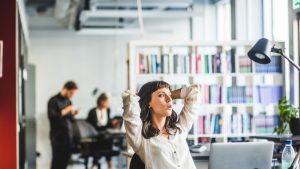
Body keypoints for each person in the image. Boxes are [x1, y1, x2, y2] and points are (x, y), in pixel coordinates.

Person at [122, 80, 200, 169]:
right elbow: (130, 103)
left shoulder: (179, 129)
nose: (169, 99)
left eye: (169, 95)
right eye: (161, 95)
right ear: (148, 102)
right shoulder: (141, 139)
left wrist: (171, 95)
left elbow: (194, 92)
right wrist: (139, 98)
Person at [48, 81, 80, 169]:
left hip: (68, 136)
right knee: (57, 161)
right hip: (57, 136)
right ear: (65, 89)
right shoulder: (53, 101)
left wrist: (73, 114)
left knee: (65, 162)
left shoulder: (69, 101)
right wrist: (66, 110)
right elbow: (52, 117)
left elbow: (70, 119)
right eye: (71, 93)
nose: (72, 95)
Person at [87, 93, 116, 169]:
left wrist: (113, 123)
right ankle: (109, 163)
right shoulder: (92, 112)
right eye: (107, 102)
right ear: (102, 101)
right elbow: (91, 126)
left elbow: (107, 124)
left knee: (107, 138)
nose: (109, 104)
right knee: (105, 140)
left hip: (104, 135)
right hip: (95, 135)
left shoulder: (108, 110)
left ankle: (95, 164)